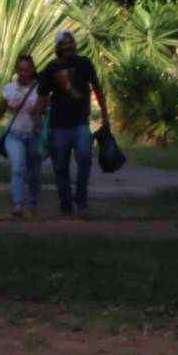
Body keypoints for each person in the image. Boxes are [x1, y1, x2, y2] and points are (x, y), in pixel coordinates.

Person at [37, 29, 112, 217]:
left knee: (85, 157)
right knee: (60, 167)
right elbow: (42, 96)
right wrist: (38, 120)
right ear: (58, 47)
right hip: (58, 126)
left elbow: (97, 88)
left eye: (71, 42)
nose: (69, 46)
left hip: (80, 124)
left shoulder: (84, 64)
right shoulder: (51, 67)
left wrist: (105, 115)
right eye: (64, 43)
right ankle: (66, 204)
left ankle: (81, 198)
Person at [0, 53, 48, 220]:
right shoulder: (9, 89)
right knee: (18, 168)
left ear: (32, 70)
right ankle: (18, 204)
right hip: (14, 135)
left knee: (34, 172)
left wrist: (39, 114)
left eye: (27, 70)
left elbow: (45, 111)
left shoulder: (40, 90)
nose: (23, 73)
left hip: (34, 136)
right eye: (20, 70)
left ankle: (33, 203)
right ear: (16, 70)